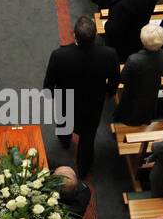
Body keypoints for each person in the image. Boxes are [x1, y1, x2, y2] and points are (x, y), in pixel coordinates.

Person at [43, 15, 120, 178]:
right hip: (93, 105)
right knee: (87, 138)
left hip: (65, 102)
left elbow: (49, 83)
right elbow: (114, 79)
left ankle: (64, 142)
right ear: (96, 35)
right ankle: (83, 169)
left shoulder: (59, 55)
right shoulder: (109, 54)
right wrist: (109, 92)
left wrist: (49, 94)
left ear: (74, 35)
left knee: (64, 125)